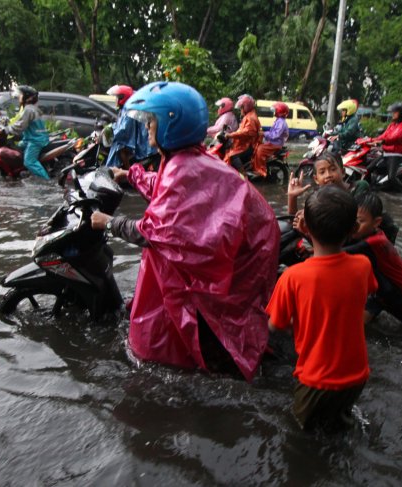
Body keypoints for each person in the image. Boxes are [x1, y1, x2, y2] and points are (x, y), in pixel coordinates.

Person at [89, 81, 279, 381]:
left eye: (153, 122)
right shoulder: (183, 158)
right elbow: (164, 188)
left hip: (241, 253)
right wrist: (130, 174)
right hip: (242, 242)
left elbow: (152, 232)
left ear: (170, 126)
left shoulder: (184, 167)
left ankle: (215, 367)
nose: (148, 128)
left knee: (220, 324)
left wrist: (108, 222)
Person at [267, 185, 376, 430]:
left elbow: (275, 324)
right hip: (358, 375)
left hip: (317, 381)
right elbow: (362, 293)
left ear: (305, 228)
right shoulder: (363, 265)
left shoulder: (293, 277)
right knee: (339, 425)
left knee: (301, 433)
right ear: (353, 230)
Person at [344, 192, 402, 328]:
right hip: (384, 289)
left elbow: (338, 251)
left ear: (376, 222)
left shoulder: (375, 241)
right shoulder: (368, 234)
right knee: (358, 326)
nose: (352, 226)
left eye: (359, 221)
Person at [0, 85, 50, 179]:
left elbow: (20, 125)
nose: (19, 97)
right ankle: (23, 172)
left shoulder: (28, 109)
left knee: (29, 161)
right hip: (31, 138)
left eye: (21, 95)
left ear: (26, 97)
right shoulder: (30, 108)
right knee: (17, 148)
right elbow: (19, 122)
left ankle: (46, 180)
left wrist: (6, 130)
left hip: (35, 140)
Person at [105, 84, 157, 169]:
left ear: (122, 97)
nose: (116, 100)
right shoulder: (125, 107)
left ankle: (128, 172)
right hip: (142, 138)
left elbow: (124, 129)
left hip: (145, 143)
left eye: (117, 97)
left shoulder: (131, 108)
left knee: (120, 146)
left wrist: (112, 130)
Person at [369, 102, 402, 192]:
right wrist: (371, 140)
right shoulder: (392, 124)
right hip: (386, 153)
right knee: (369, 168)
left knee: (391, 177)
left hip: (395, 155)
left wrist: (382, 141)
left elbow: (395, 137)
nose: (393, 114)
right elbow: (384, 135)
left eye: (395, 112)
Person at [223, 94, 261, 174]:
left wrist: (230, 135)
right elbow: (242, 129)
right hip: (244, 144)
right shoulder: (248, 116)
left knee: (233, 155)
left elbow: (246, 132)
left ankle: (243, 175)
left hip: (248, 146)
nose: (241, 110)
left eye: (241, 107)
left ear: (246, 107)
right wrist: (231, 132)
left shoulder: (250, 118)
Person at [252, 101, 289, 177]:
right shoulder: (278, 120)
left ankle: (261, 171)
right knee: (256, 147)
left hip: (275, 144)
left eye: (275, 110)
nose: (274, 112)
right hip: (273, 142)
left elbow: (275, 135)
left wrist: (264, 133)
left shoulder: (281, 122)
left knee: (260, 150)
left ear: (279, 111)